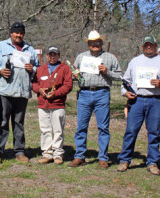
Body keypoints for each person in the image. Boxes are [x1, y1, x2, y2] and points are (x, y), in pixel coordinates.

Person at [68, 30, 122, 169]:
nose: (95, 45)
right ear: (88, 44)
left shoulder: (110, 58)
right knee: (81, 126)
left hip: (102, 93)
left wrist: (107, 72)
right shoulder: (81, 57)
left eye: (97, 42)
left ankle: (103, 158)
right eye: (92, 43)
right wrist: (75, 76)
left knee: (103, 127)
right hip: (84, 93)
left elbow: (120, 77)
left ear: (101, 43)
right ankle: (79, 156)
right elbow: (76, 73)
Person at [0, 22, 38, 164]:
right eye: (16, 32)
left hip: (22, 91)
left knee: (19, 122)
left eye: (21, 33)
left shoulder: (29, 49)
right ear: (11, 33)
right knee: (2, 121)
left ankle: (19, 151)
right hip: (4, 90)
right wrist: (0, 70)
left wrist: (32, 69)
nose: (18, 35)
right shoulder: (0, 46)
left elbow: (37, 66)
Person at [117, 35, 160, 175]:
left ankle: (152, 162)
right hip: (137, 101)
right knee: (131, 131)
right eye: (146, 45)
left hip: (156, 100)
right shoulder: (135, 61)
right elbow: (125, 81)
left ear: (156, 46)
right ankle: (124, 160)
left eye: (151, 45)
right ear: (142, 47)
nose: (149, 47)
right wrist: (125, 93)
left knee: (154, 133)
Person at [32, 46, 73, 165]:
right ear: (46, 56)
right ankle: (47, 154)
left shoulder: (64, 68)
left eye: (55, 54)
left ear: (59, 56)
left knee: (58, 130)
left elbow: (68, 85)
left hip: (58, 104)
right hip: (43, 104)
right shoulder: (41, 69)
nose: (52, 57)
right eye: (50, 54)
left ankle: (58, 154)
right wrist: (39, 90)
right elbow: (34, 83)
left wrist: (56, 94)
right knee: (45, 130)